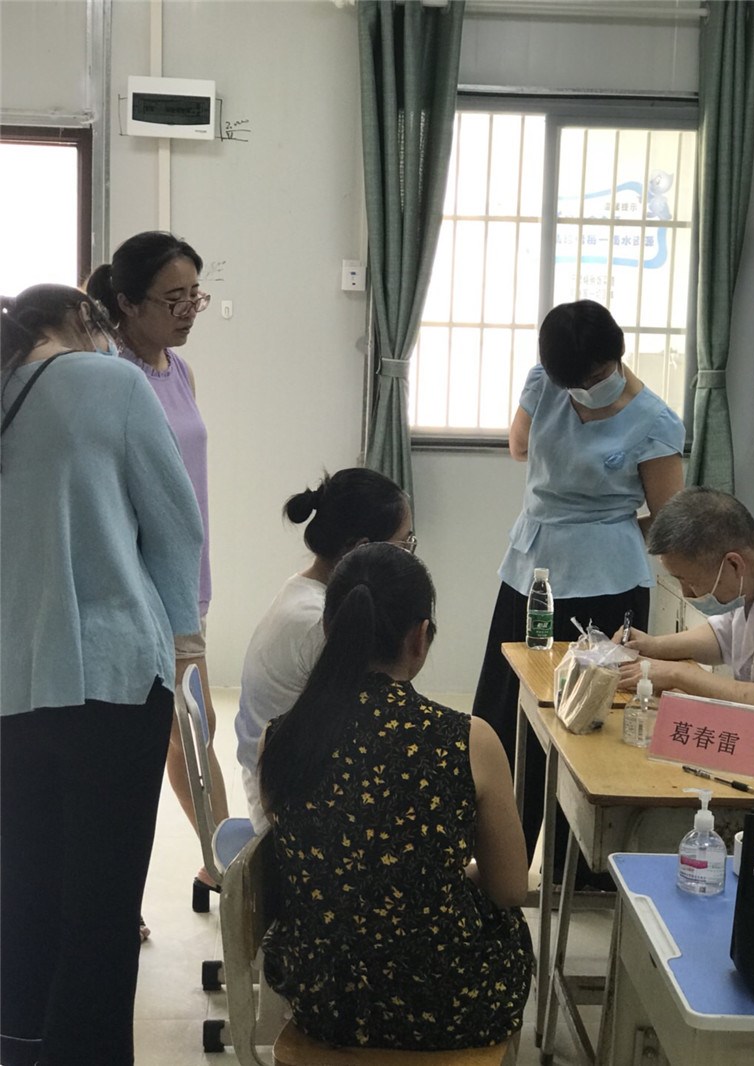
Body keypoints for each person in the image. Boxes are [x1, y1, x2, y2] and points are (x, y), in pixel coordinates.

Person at [0, 285, 203, 1066]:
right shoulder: (113, 381)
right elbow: (174, 526)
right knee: (103, 902)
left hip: (13, 684)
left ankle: (20, 1045)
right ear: (85, 323)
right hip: (110, 678)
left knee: (26, 886)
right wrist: (185, 647)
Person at [258, 543, 533, 1051]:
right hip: (448, 1006)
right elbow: (511, 889)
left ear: (330, 629)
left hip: (325, 1002)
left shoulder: (282, 739)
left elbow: (317, 861)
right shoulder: (468, 740)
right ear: (420, 637)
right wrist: (444, 876)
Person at [473, 299, 685, 859]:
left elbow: (667, 519)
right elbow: (519, 445)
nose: (582, 391)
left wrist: (608, 528)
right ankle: (498, 856)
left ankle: (580, 865)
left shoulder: (656, 422)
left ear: (617, 356)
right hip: (531, 571)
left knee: (589, 721)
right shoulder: (546, 380)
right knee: (506, 708)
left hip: (606, 581)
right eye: (572, 384)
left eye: (592, 379)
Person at [87, 232, 226, 911]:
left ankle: (219, 865)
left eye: (195, 295)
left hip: (183, 579)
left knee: (189, 732)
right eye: (174, 299)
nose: (189, 310)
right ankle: (138, 892)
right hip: (131, 587)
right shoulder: (107, 373)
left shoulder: (179, 369)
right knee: (147, 741)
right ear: (127, 302)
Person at [236, 467, 414, 833]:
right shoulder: (317, 623)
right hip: (286, 809)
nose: (409, 558)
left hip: (283, 782)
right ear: (361, 549)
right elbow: (375, 723)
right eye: (404, 545)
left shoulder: (305, 591)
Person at [616, 487, 754, 743]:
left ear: (734, 564)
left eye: (690, 582)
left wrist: (679, 674)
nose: (687, 593)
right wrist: (653, 646)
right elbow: (724, 635)